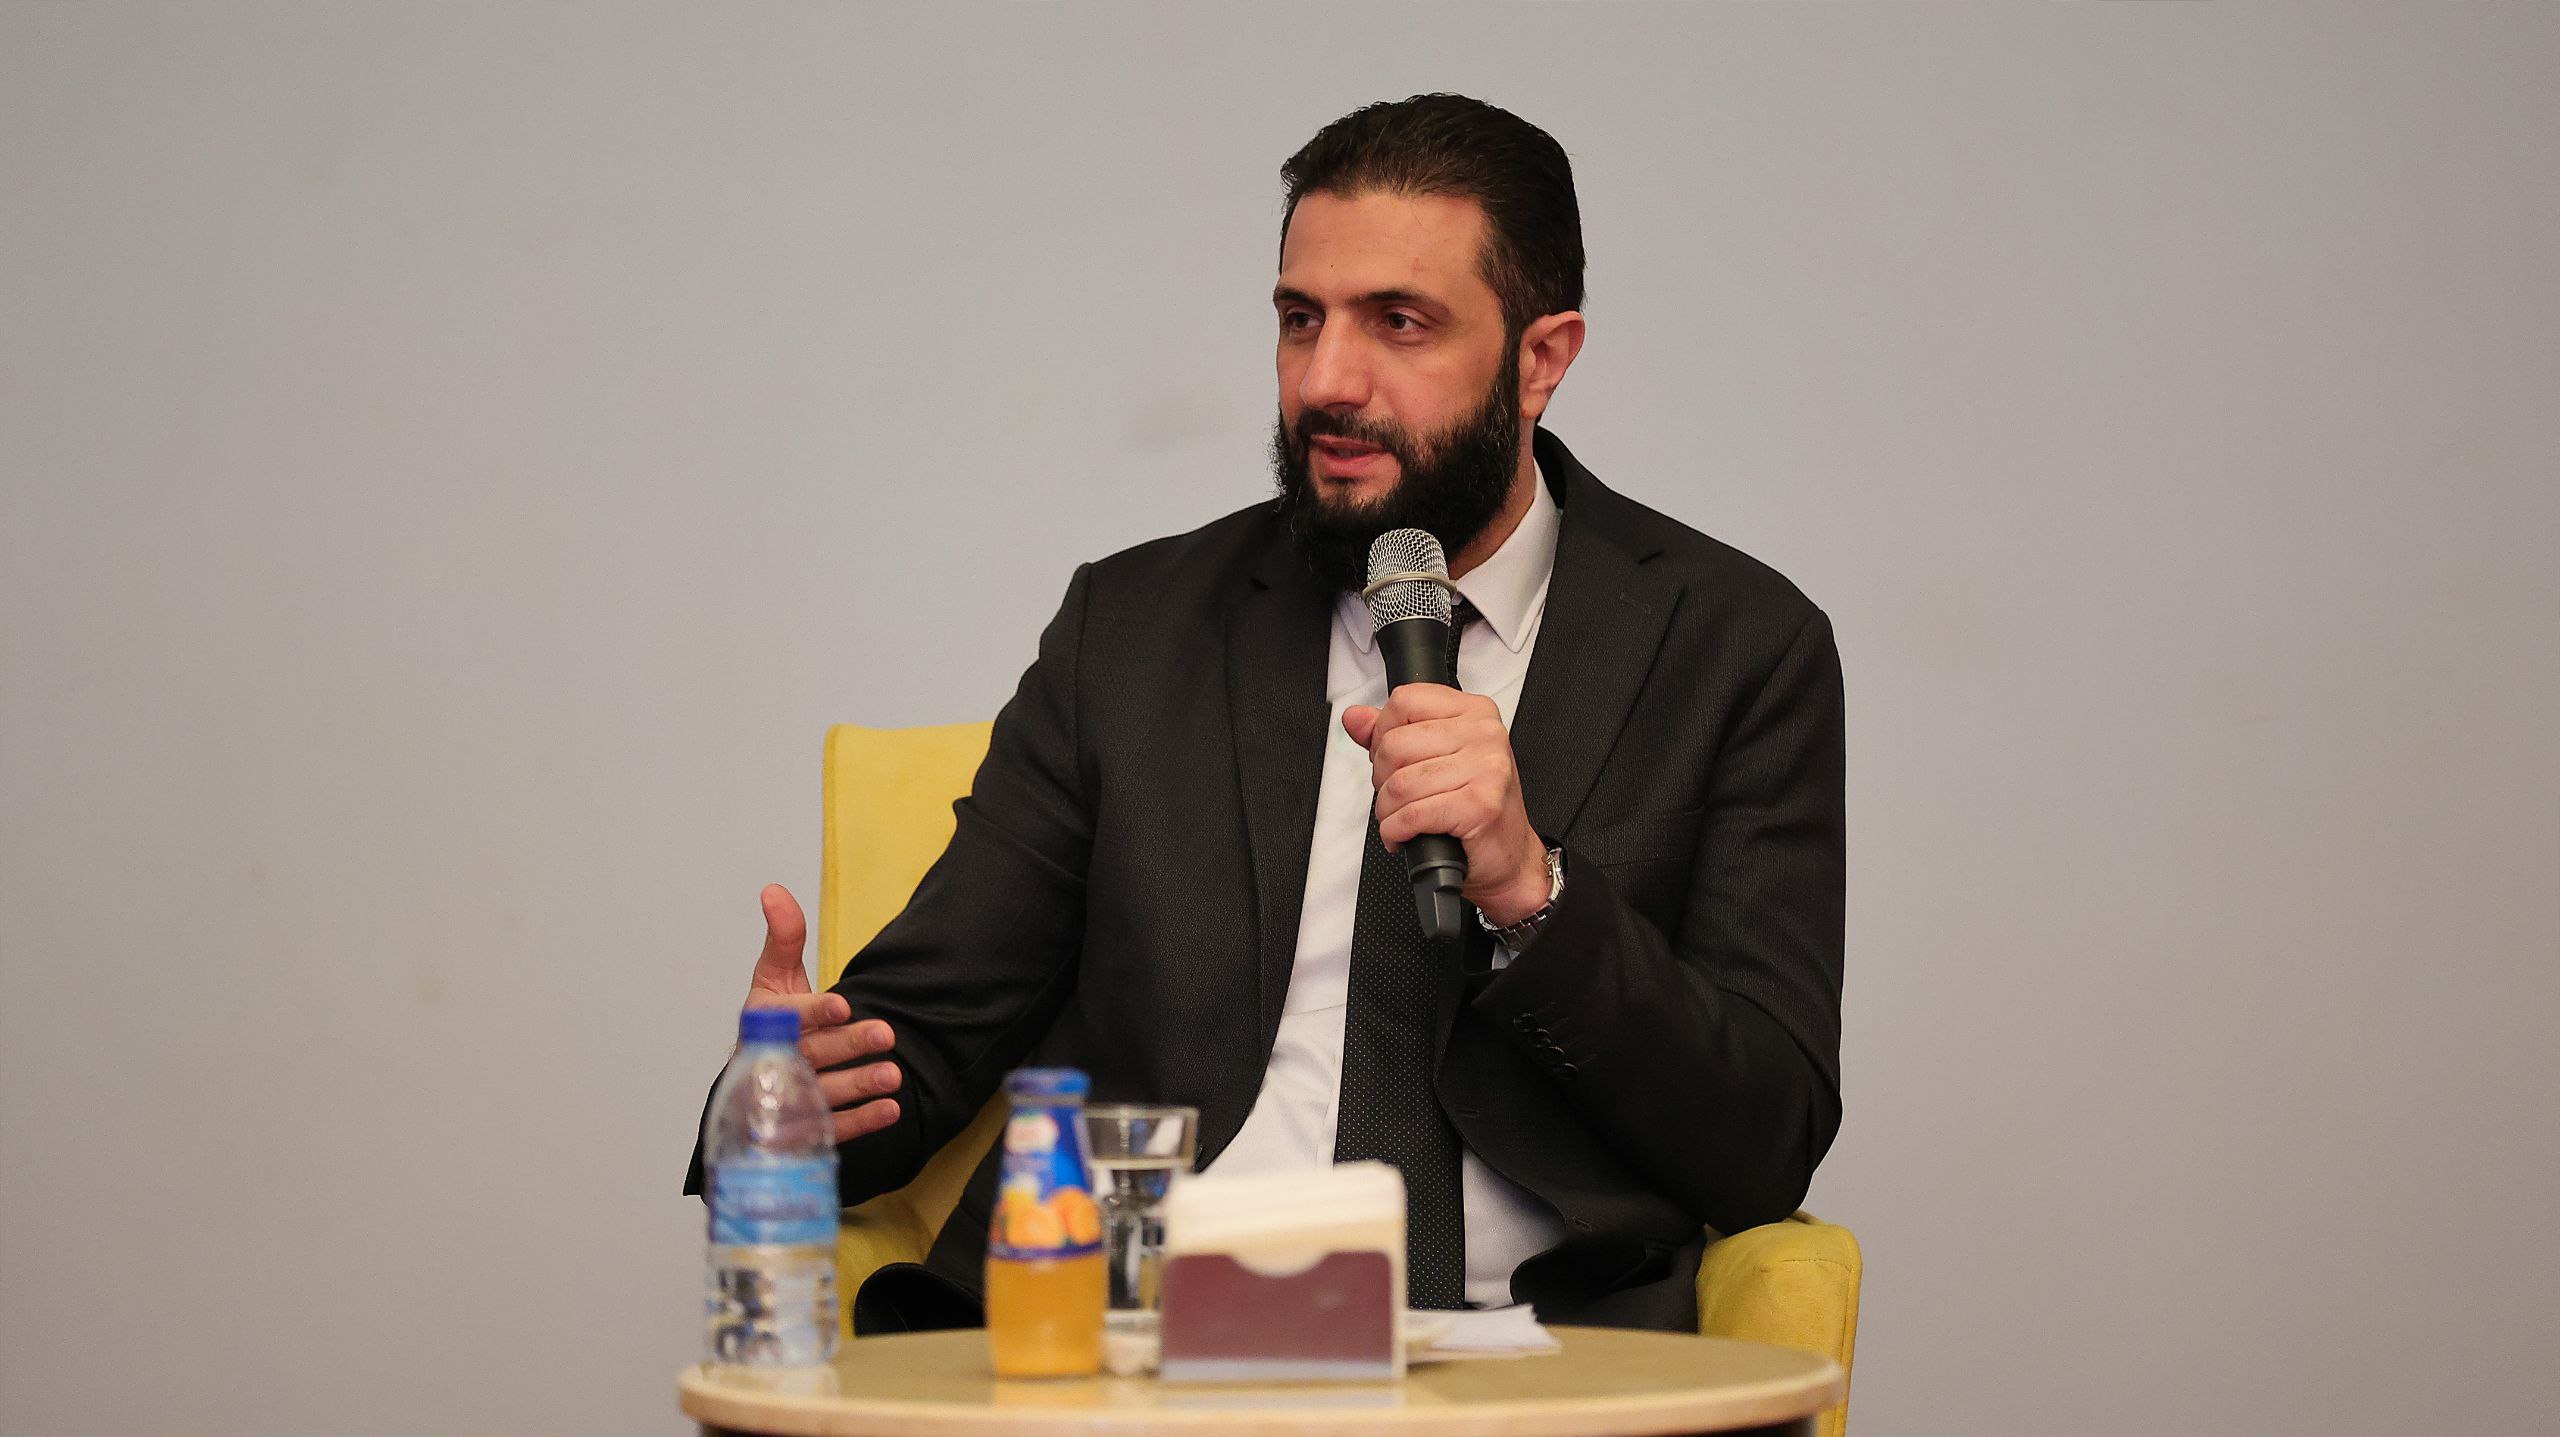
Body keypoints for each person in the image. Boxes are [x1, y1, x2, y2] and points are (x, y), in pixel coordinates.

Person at [686, 94, 1844, 1335]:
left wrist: (1533, 894)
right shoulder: (1134, 629)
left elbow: (1761, 1143)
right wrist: (779, 1098)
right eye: (1300, 320)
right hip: (1139, 1342)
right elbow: (921, 1042)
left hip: (1524, 1358)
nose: (1326, 381)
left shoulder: (1733, 647)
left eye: (1399, 323)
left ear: (1540, 359)